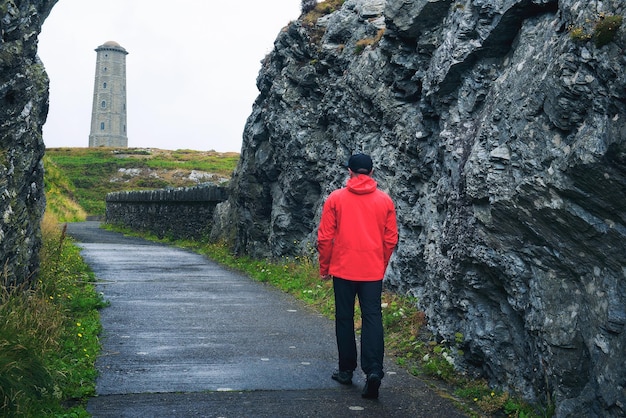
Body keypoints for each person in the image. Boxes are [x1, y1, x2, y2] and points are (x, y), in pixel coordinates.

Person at [317, 153, 398, 399]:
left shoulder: (335, 199)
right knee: (372, 317)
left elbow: (325, 238)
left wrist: (324, 267)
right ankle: (374, 370)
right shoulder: (385, 201)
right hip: (371, 270)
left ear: (349, 171)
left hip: (343, 269)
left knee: (344, 317)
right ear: (372, 172)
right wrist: (379, 264)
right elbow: (390, 238)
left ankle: (346, 370)